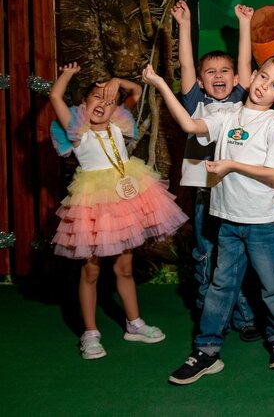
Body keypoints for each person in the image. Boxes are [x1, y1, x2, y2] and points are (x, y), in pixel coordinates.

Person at [143, 57, 274, 384]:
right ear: (252, 76)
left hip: (263, 223)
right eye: (263, 77)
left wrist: (232, 165)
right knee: (220, 286)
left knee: (272, 286)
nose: (264, 86)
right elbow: (189, 125)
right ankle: (207, 351)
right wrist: (159, 84)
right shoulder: (227, 115)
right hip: (227, 220)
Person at [49, 63, 187, 360]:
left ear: (116, 110)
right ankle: (90, 333)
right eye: (97, 98)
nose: (104, 103)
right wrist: (68, 75)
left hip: (125, 201)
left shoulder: (118, 125)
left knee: (124, 267)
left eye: (110, 101)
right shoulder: (78, 131)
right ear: (84, 104)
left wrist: (115, 81)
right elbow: (56, 96)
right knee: (91, 269)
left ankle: (134, 323)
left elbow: (136, 90)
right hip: (93, 204)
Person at [171, 0, 259, 342]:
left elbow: (245, 63)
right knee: (207, 256)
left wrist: (244, 25)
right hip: (206, 195)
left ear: (235, 79)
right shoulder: (196, 103)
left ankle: (245, 317)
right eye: (210, 72)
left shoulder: (241, 101)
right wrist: (184, 24)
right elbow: (185, 63)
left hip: (236, 193)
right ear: (201, 81)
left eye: (224, 71)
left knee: (235, 258)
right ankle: (211, 318)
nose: (218, 76)